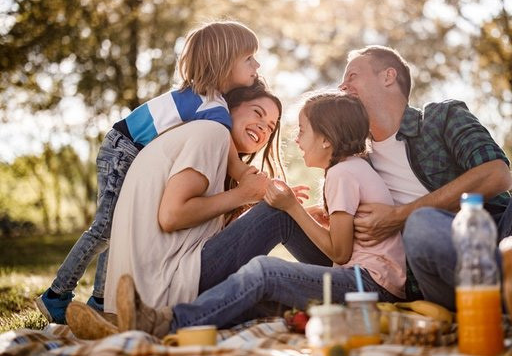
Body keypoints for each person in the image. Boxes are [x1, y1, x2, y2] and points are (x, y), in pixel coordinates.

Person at [107, 92, 409, 337]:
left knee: (266, 272)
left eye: (302, 131)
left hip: (369, 287)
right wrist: (299, 213)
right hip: (364, 280)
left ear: (327, 140)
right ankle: (174, 319)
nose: (296, 140)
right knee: (260, 290)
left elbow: (341, 253)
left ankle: (169, 323)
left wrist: (293, 207)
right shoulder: (350, 169)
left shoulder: (343, 174)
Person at [336, 45, 512, 310]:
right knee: (422, 225)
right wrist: (315, 212)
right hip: (448, 265)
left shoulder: (441, 117)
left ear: (387, 76)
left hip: (506, 235)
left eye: (352, 76)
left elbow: (496, 174)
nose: (342, 85)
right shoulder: (357, 163)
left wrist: (399, 216)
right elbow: (344, 240)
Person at [36, 20, 263, 324]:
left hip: (129, 150)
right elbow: (231, 156)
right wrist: (250, 181)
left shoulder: (209, 101)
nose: (256, 64)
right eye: (248, 58)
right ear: (223, 60)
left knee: (117, 228)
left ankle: (101, 300)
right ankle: (57, 295)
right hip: (122, 148)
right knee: (105, 228)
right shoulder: (209, 104)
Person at [65, 79, 284, 339]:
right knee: (279, 218)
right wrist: (245, 196)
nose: (263, 126)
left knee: (272, 298)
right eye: (258, 113)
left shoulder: (205, 141)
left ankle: (115, 325)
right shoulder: (212, 133)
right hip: (163, 285)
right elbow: (172, 216)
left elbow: (211, 235)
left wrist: (260, 203)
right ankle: (344, 287)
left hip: (152, 284)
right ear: (229, 107)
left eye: (271, 127)